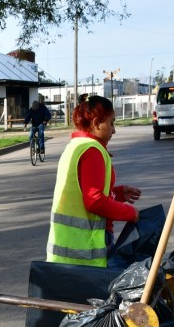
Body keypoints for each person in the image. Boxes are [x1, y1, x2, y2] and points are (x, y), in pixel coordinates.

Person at [46, 94, 141, 267]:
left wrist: (116, 194)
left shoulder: (75, 146)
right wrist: (131, 213)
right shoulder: (93, 151)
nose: (114, 130)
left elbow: (80, 193)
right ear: (96, 123)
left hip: (67, 247)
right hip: (85, 250)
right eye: (111, 123)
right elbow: (94, 201)